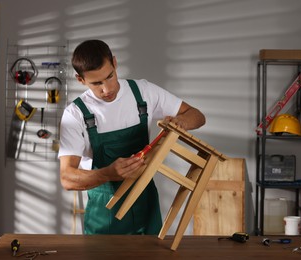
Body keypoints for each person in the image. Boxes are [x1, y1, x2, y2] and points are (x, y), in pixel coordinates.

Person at [58, 39, 205, 235]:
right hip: (106, 212)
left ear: (115, 63)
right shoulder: (75, 114)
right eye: (96, 83)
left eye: (110, 76)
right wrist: (109, 173)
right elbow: (67, 178)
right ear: (81, 80)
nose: (107, 89)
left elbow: (197, 115)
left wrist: (181, 122)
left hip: (146, 202)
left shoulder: (143, 92)